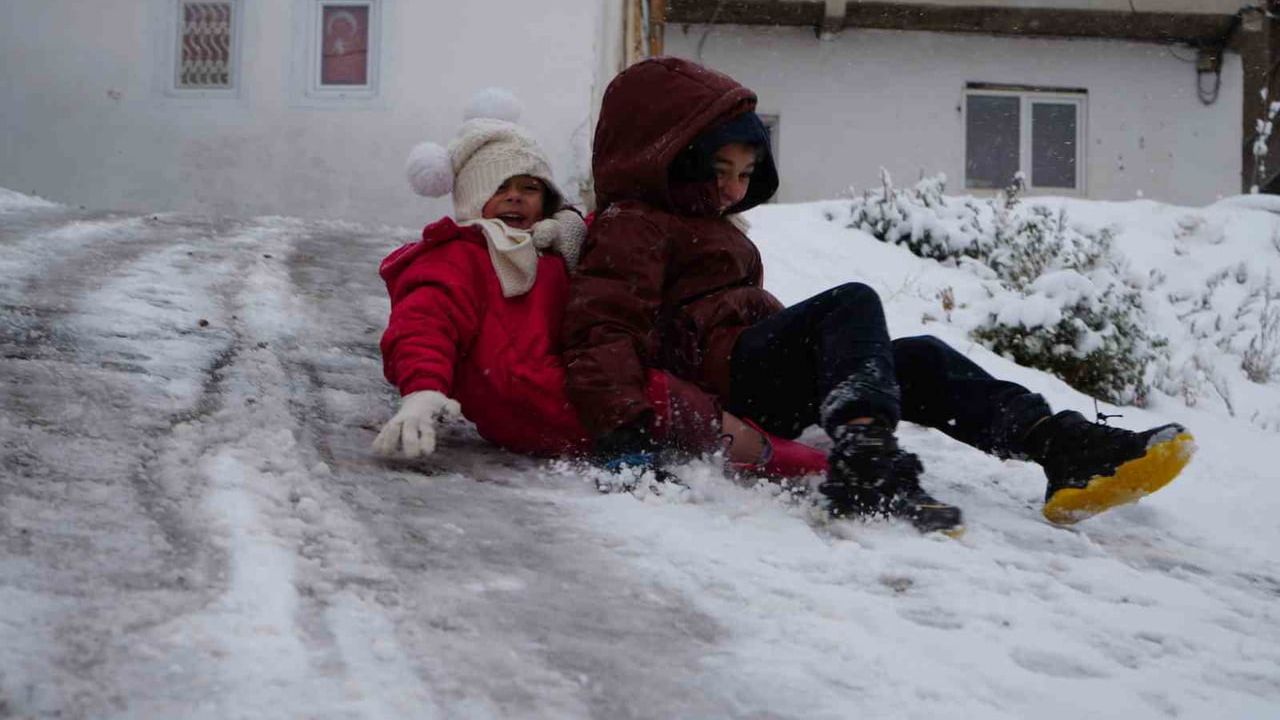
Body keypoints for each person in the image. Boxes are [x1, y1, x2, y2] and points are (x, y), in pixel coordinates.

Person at [561, 58, 1195, 533]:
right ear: (666, 155)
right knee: (851, 301)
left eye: (747, 174)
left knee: (915, 356)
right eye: (719, 170)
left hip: (753, 370)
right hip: (722, 376)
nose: (733, 188)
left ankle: (1062, 447)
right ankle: (866, 454)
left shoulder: (708, 227)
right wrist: (624, 431)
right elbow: (602, 328)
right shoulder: (635, 222)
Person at [373, 90, 826, 481]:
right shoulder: (457, 254)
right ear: (473, 197)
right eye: (500, 186)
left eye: (529, 187)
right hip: (530, 402)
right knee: (683, 409)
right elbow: (423, 324)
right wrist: (421, 390)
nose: (516, 197)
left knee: (691, 400)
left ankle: (814, 449)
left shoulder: (557, 245)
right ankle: (814, 468)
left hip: (585, 395)